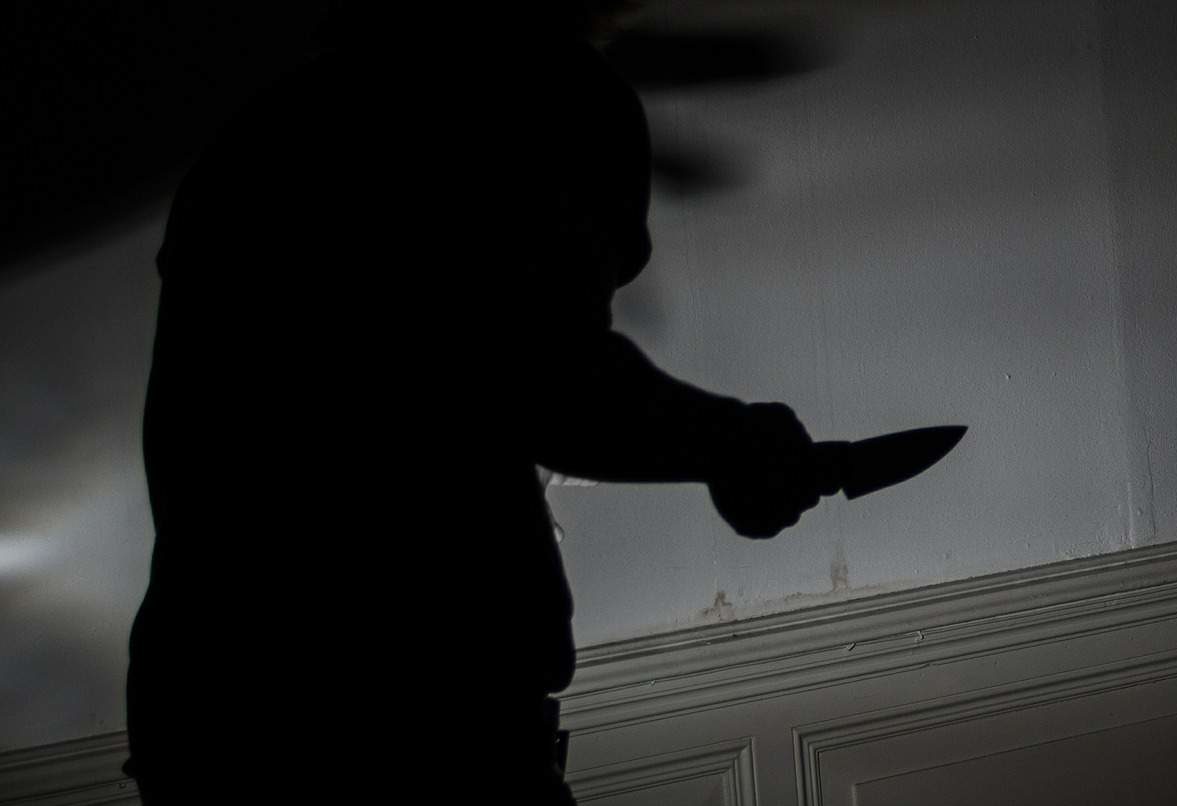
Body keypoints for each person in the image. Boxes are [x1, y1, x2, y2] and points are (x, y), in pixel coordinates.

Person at [123, 4, 831, 802]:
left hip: (224, 715)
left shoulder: (274, 137)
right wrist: (739, 444)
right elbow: (554, 376)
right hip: (391, 733)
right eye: (593, 266)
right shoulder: (499, 107)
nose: (602, 294)